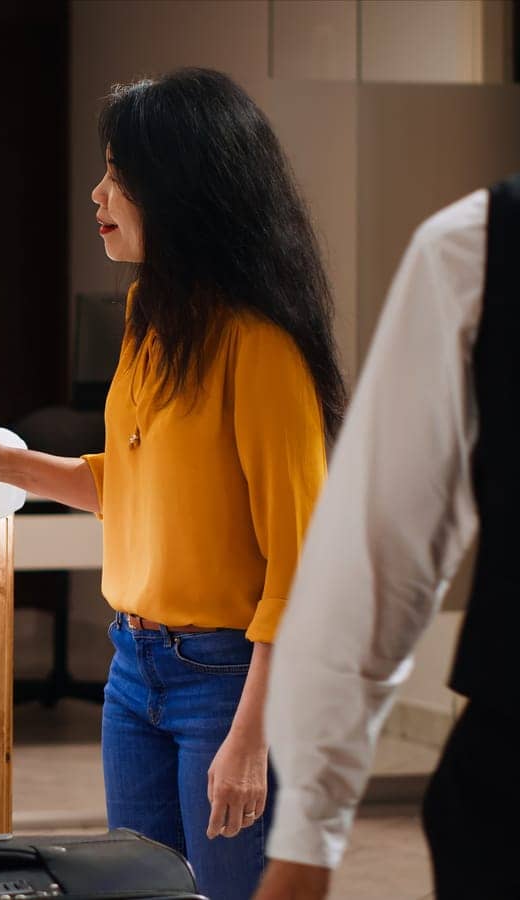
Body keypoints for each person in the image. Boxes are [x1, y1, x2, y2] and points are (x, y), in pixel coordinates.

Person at [0, 68, 344, 900]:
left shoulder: (261, 345)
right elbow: (143, 486)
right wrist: (3, 460)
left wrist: (252, 736)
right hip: (134, 669)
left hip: (229, 684)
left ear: (184, 189)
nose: (98, 193)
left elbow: (300, 564)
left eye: (120, 176)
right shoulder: (150, 317)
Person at [254, 177, 516, 899]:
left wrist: (307, 828)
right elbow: (384, 549)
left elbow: (378, 549)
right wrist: (308, 828)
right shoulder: (478, 247)